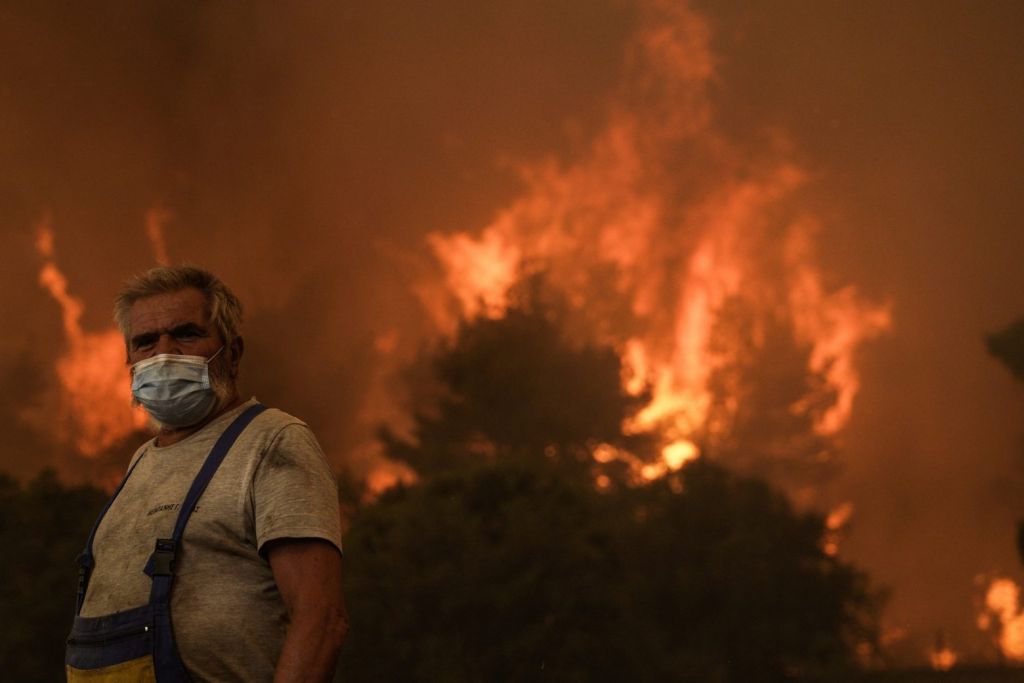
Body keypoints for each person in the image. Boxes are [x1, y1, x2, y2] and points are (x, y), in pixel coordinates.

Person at [65, 265, 348, 682]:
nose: (164, 353)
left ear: (232, 354)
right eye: (145, 342)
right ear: (130, 360)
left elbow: (321, 620)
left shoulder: (272, 441)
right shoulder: (142, 459)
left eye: (186, 334)